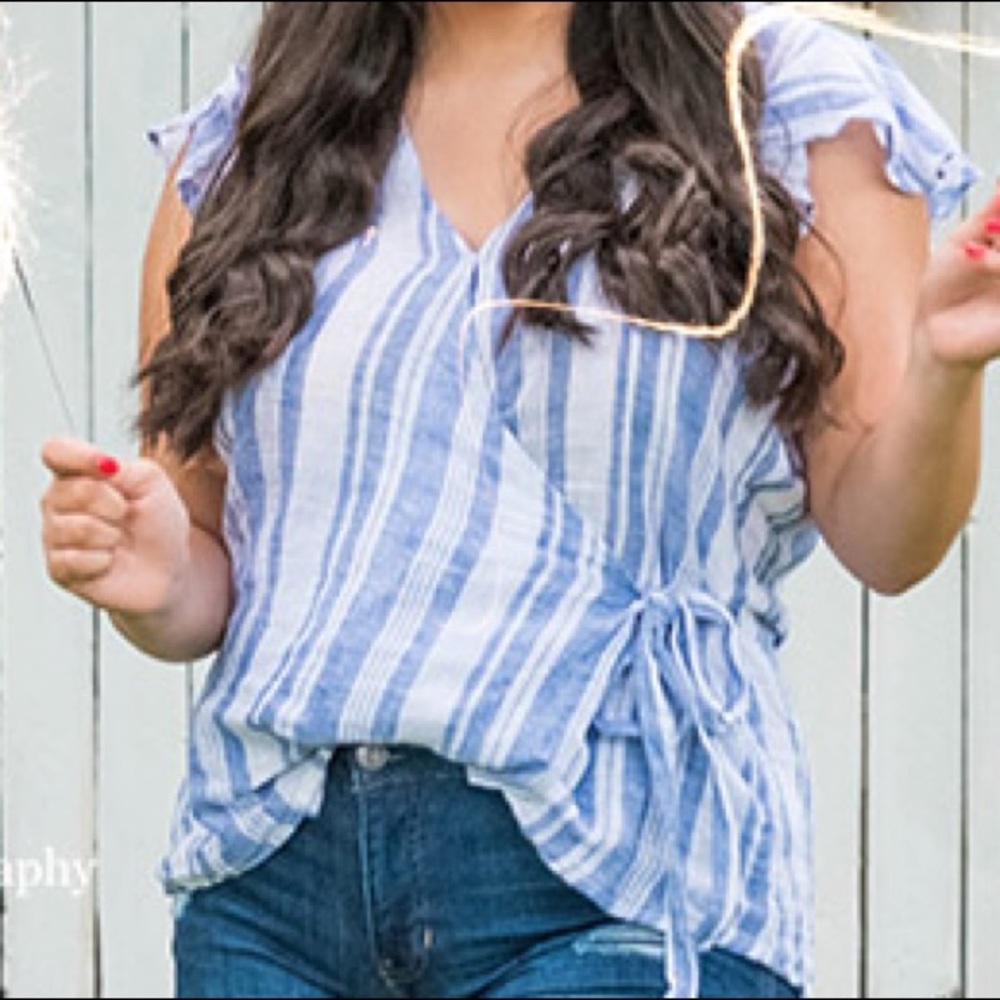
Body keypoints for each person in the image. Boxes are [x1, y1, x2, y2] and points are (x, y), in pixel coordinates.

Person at [37, 2, 1000, 997]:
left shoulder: (785, 99)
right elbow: (209, 578)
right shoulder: (244, 145)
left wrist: (939, 366)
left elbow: (887, 540)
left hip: (621, 881)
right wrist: (155, 573)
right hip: (273, 900)